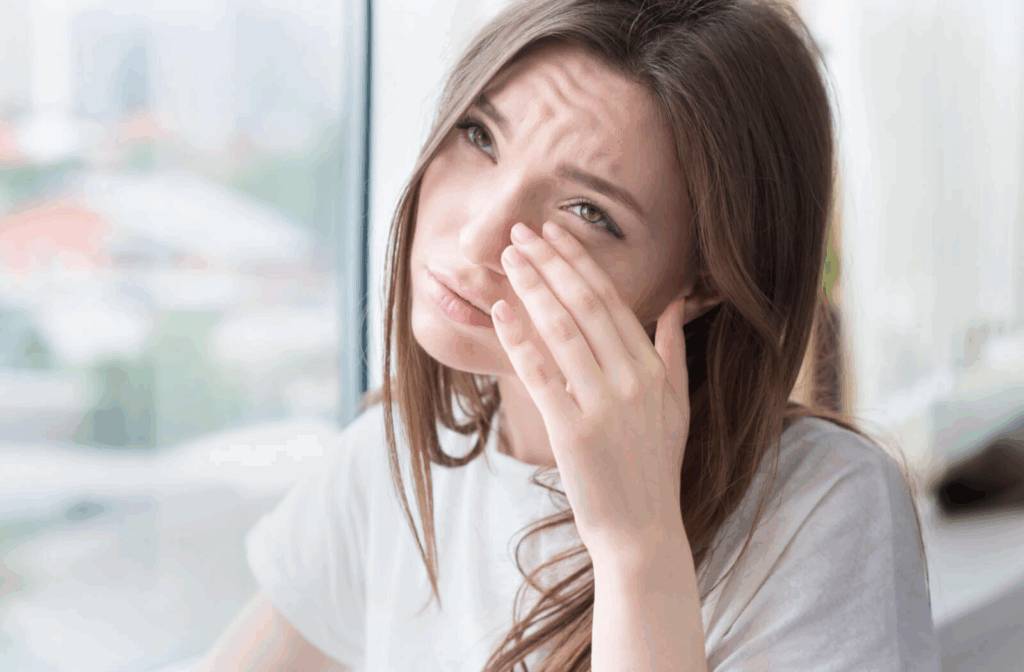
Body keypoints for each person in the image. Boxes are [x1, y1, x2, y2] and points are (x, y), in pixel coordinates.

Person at [197, 0, 940, 670]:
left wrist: (637, 551)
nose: (478, 237)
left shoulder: (822, 507)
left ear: (704, 282)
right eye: (480, 135)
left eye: (588, 212)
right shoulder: (392, 462)